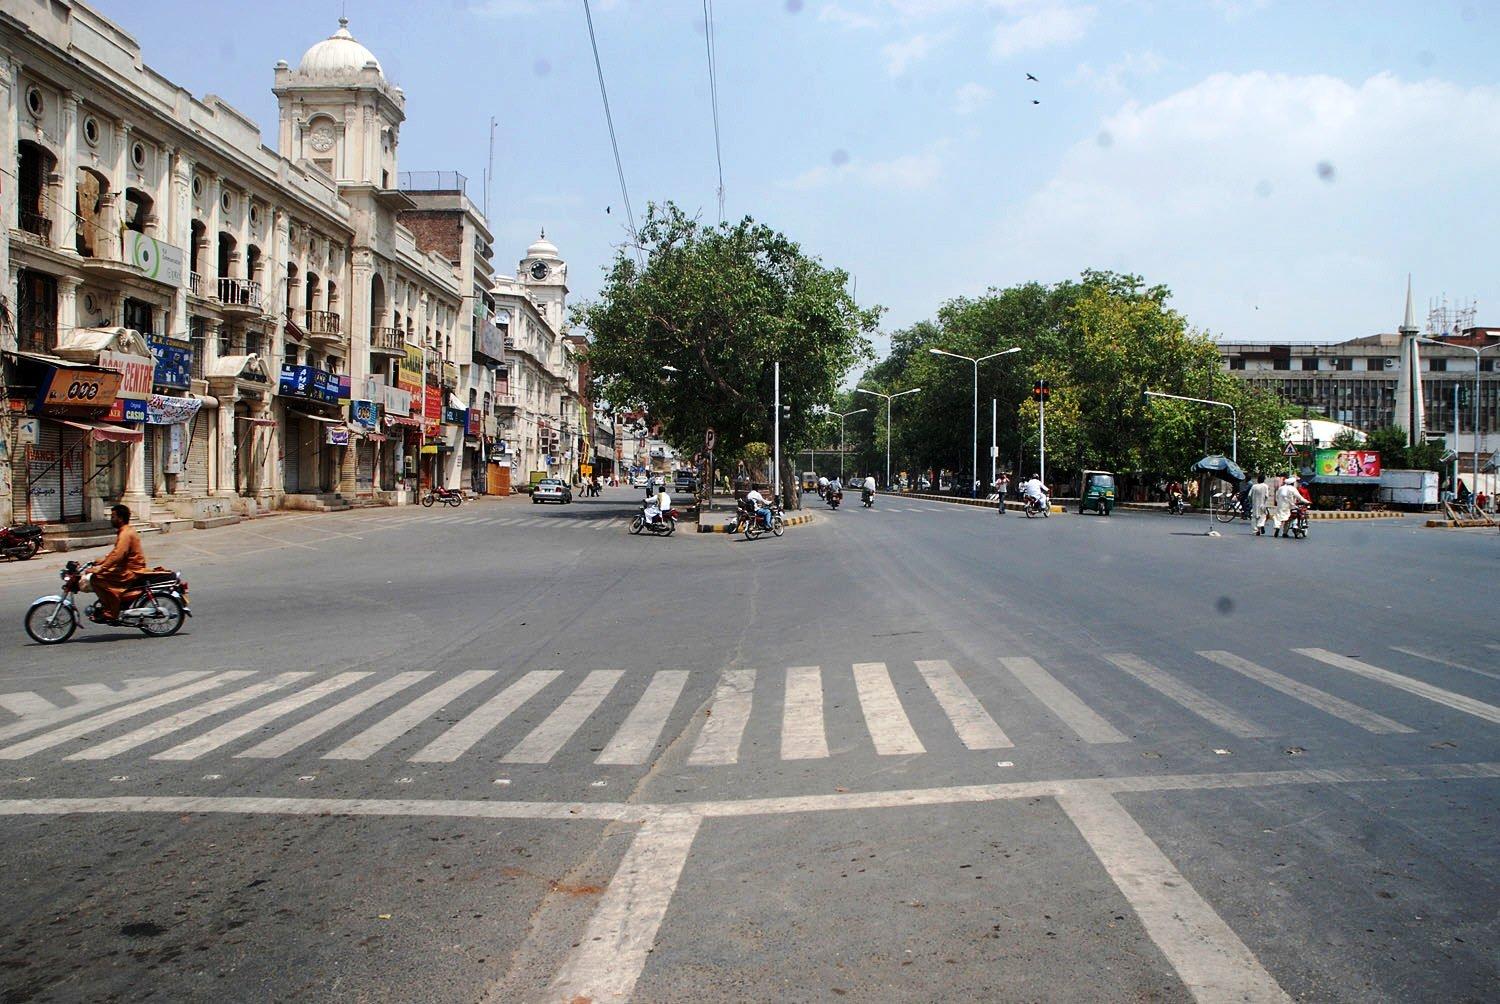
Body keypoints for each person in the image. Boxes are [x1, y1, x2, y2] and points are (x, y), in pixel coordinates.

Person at [91, 503, 148, 622]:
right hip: (127, 567)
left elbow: (118, 556)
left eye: (113, 517)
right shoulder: (125, 531)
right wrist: (102, 561)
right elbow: (116, 553)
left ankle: (111, 611)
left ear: (120, 518)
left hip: (131, 571)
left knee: (97, 578)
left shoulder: (125, 534)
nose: (111, 520)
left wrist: (101, 568)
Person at [1273, 473, 1302, 538]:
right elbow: (1298, 497)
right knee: (1291, 518)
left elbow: (1277, 496)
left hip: (1281, 505)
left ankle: (1278, 527)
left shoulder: (1282, 487)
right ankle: (1286, 531)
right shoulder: (1293, 488)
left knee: (1280, 518)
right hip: (1291, 506)